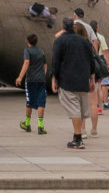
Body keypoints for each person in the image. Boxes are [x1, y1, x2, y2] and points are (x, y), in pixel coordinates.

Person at [51, 18, 99, 150]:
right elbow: (91, 62)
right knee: (80, 109)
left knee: (74, 110)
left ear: (63, 27)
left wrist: (54, 78)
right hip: (83, 80)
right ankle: (77, 136)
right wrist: (92, 79)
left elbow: (55, 62)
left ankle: (78, 138)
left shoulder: (60, 41)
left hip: (68, 80)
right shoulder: (84, 42)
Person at [16, 31, 50, 137]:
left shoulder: (27, 50)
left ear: (27, 41)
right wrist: (42, 75)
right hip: (41, 80)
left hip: (31, 80)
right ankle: (40, 126)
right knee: (41, 102)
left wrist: (20, 77)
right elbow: (45, 65)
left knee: (29, 101)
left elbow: (26, 62)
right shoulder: (41, 51)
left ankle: (27, 124)